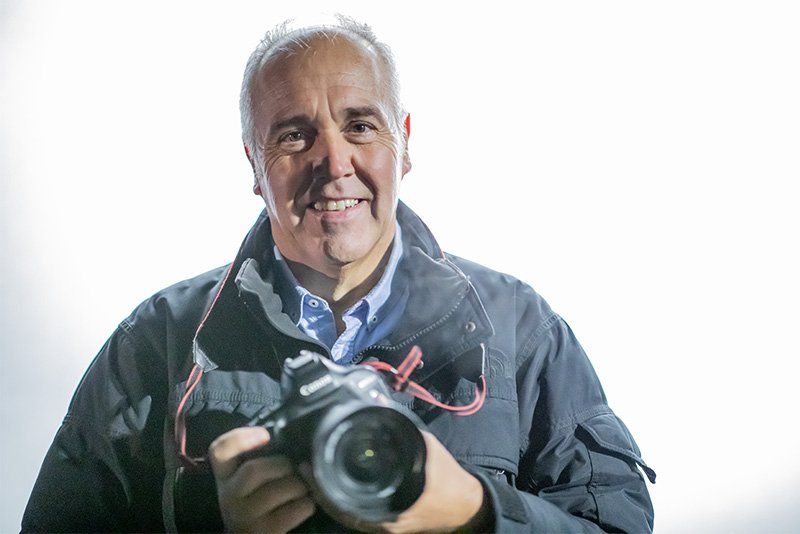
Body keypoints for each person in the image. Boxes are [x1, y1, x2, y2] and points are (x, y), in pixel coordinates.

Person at [22, 16, 655, 533]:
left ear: (403, 143)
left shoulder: (518, 330)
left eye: (360, 125)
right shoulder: (158, 342)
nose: (334, 161)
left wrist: (477, 511)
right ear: (254, 164)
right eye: (294, 135)